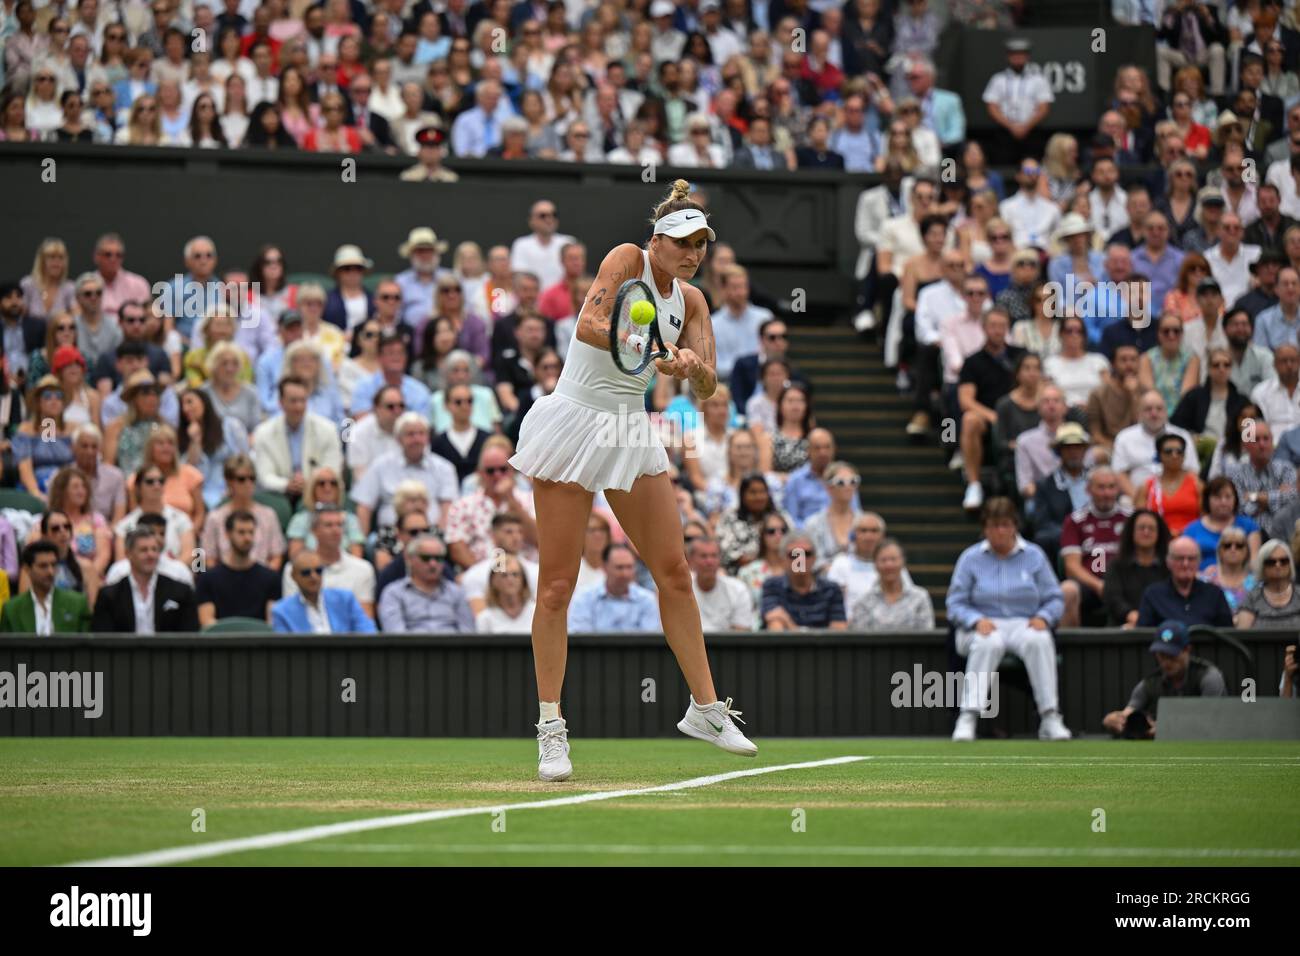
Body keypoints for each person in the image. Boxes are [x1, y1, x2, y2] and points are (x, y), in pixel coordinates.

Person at [506, 180, 758, 778]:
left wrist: (693, 367)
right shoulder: (626, 259)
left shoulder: (693, 301)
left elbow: (709, 384)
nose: (693, 252)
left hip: (627, 430)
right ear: (657, 242)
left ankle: (705, 710)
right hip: (573, 421)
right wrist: (654, 346)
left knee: (673, 572)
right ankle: (550, 727)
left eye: (701, 243)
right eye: (682, 242)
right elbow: (589, 325)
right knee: (557, 587)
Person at [946, 497, 1070, 741]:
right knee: (987, 642)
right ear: (984, 528)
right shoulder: (970, 558)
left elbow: (1055, 598)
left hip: (1023, 624)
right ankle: (968, 717)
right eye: (993, 525)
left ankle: (1050, 717)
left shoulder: (1034, 556)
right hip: (982, 625)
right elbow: (954, 603)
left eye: (1005, 524)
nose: (999, 531)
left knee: (1039, 640)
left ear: (1015, 526)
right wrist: (974, 620)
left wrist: (1044, 617)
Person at [1101, 620, 1227, 739]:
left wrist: (1167, 728)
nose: (1166, 662)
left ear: (1187, 650)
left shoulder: (1209, 677)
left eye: (1172, 655)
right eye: (1162, 655)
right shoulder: (1150, 683)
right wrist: (1112, 720)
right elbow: (1127, 715)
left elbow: (1213, 720)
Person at [91, 527, 199, 634]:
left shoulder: (181, 592)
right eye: (144, 550)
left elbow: (190, 637)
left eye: (154, 549)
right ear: (128, 554)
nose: (151, 555)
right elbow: (103, 639)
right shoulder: (109, 595)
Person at [251, 376, 343, 500]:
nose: (299, 407)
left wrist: (309, 483)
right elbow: (265, 476)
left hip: (317, 490)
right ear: (281, 402)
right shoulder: (263, 433)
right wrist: (287, 484)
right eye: (293, 401)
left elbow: (333, 468)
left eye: (303, 400)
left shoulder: (328, 429)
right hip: (279, 492)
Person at [281, 507, 376, 617]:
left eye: (339, 525)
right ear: (314, 530)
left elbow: (365, 618)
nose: (336, 530)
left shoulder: (363, 569)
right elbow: (291, 615)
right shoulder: (294, 568)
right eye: (328, 525)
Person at [195, 510, 282, 627]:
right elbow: (206, 622)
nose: (247, 538)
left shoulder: (271, 578)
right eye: (241, 532)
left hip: (259, 643)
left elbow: (272, 624)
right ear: (227, 534)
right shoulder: (207, 579)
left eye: (251, 532)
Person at [377, 533, 475, 633]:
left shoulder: (457, 593)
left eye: (438, 558)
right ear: (410, 560)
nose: (433, 564)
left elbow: (468, 634)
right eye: (426, 558)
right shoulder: (394, 593)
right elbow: (396, 636)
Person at [1137, 534, 1235, 626]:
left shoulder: (1215, 595)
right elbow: (1142, 638)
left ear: (1199, 562)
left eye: (1191, 559)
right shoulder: (1153, 595)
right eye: (1179, 558)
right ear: (1168, 562)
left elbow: (1228, 636)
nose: (1185, 564)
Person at [272, 551, 376, 634]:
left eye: (319, 571)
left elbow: (368, 632)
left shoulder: (345, 600)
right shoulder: (282, 611)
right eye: (306, 573)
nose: (314, 577)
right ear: (293, 576)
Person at [0, 540, 92, 634]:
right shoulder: (12, 610)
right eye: (43, 566)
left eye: (53, 565)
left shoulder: (77, 604)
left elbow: (86, 645)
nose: (50, 572)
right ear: (27, 569)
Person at [567, 542, 661, 633]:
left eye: (629, 567)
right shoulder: (584, 598)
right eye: (619, 567)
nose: (625, 573)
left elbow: (650, 640)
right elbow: (580, 639)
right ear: (604, 567)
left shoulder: (647, 600)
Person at [1183, 476, 1262, 568]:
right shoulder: (1192, 530)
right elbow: (1186, 563)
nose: (1223, 502)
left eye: (1228, 497)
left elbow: (1254, 562)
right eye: (1218, 497)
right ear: (1207, 500)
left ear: (1235, 499)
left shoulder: (1249, 527)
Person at [1137, 432, 1203, 535]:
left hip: (1191, 540)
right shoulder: (1147, 487)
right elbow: (1139, 521)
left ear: (1184, 455)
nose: (1174, 455)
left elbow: (1205, 520)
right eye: (1168, 451)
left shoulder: (1197, 484)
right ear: (1159, 455)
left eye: (1179, 451)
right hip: (1157, 540)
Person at [688, 536, 752, 632]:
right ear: (691, 560)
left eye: (714, 556)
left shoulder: (738, 590)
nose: (709, 562)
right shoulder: (681, 590)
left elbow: (742, 634)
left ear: (720, 559)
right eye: (703, 556)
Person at [1235, 537, 1300, 627]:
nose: (1278, 565)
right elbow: (1243, 635)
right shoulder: (1252, 598)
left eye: (1284, 561)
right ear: (1262, 566)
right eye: (1271, 562)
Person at [1199, 525, 1256, 614]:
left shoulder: (1256, 583)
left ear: (1247, 551)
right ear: (1220, 550)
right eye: (1227, 545)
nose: (1233, 549)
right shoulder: (1207, 579)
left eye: (1239, 546)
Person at [476, 553, 537, 634]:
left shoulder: (536, 614)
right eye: (504, 575)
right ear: (493, 581)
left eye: (515, 574)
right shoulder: (485, 618)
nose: (510, 579)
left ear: (523, 580)